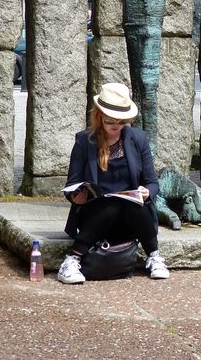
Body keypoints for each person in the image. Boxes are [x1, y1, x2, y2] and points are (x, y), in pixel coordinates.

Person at [57, 82, 169, 283]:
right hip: (96, 216)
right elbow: (72, 184)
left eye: (121, 120)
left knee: (136, 205)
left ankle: (154, 256)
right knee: (111, 206)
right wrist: (76, 197)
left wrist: (146, 192)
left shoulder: (139, 139)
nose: (115, 124)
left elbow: (152, 183)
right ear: (99, 116)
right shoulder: (84, 141)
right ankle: (72, 260)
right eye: (110, 120)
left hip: (132, 216)